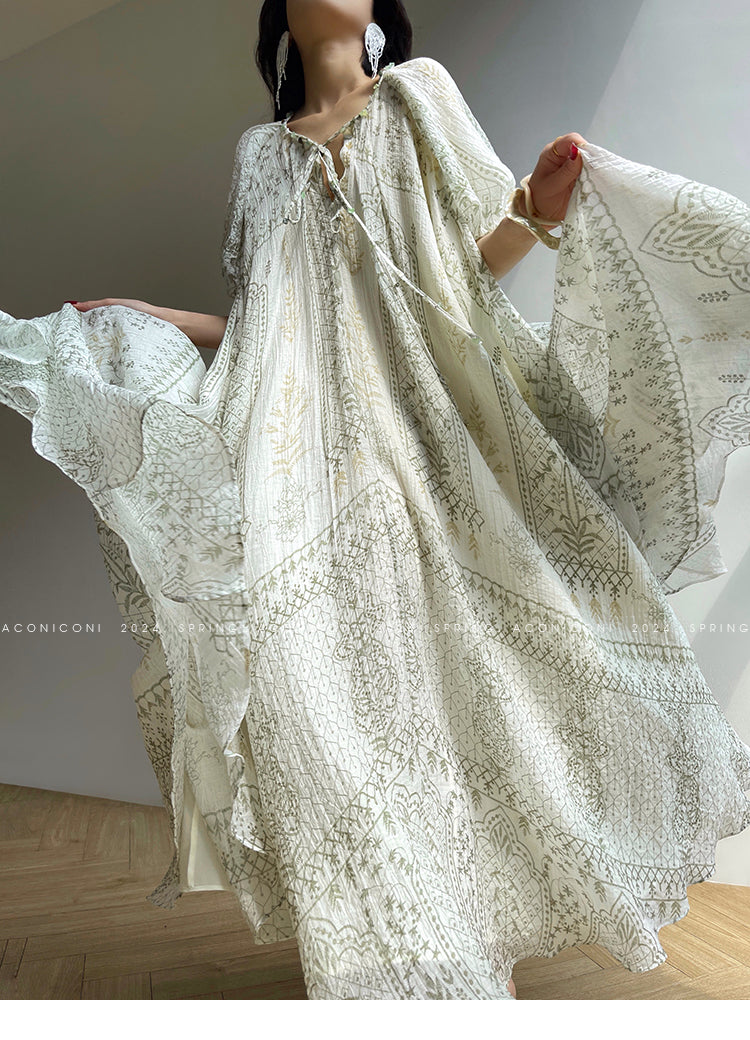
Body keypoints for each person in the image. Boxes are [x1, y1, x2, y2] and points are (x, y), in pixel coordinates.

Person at [2, 0, 750, 1001]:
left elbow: (463, 272)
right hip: (302, 450)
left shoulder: (416, 97)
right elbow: (270, 319)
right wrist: (154, 317)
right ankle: (384, 937)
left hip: (421, 429)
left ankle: (460, 930)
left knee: (469, 670)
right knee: (324, 683)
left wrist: (537, 210)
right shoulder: (262, 156)